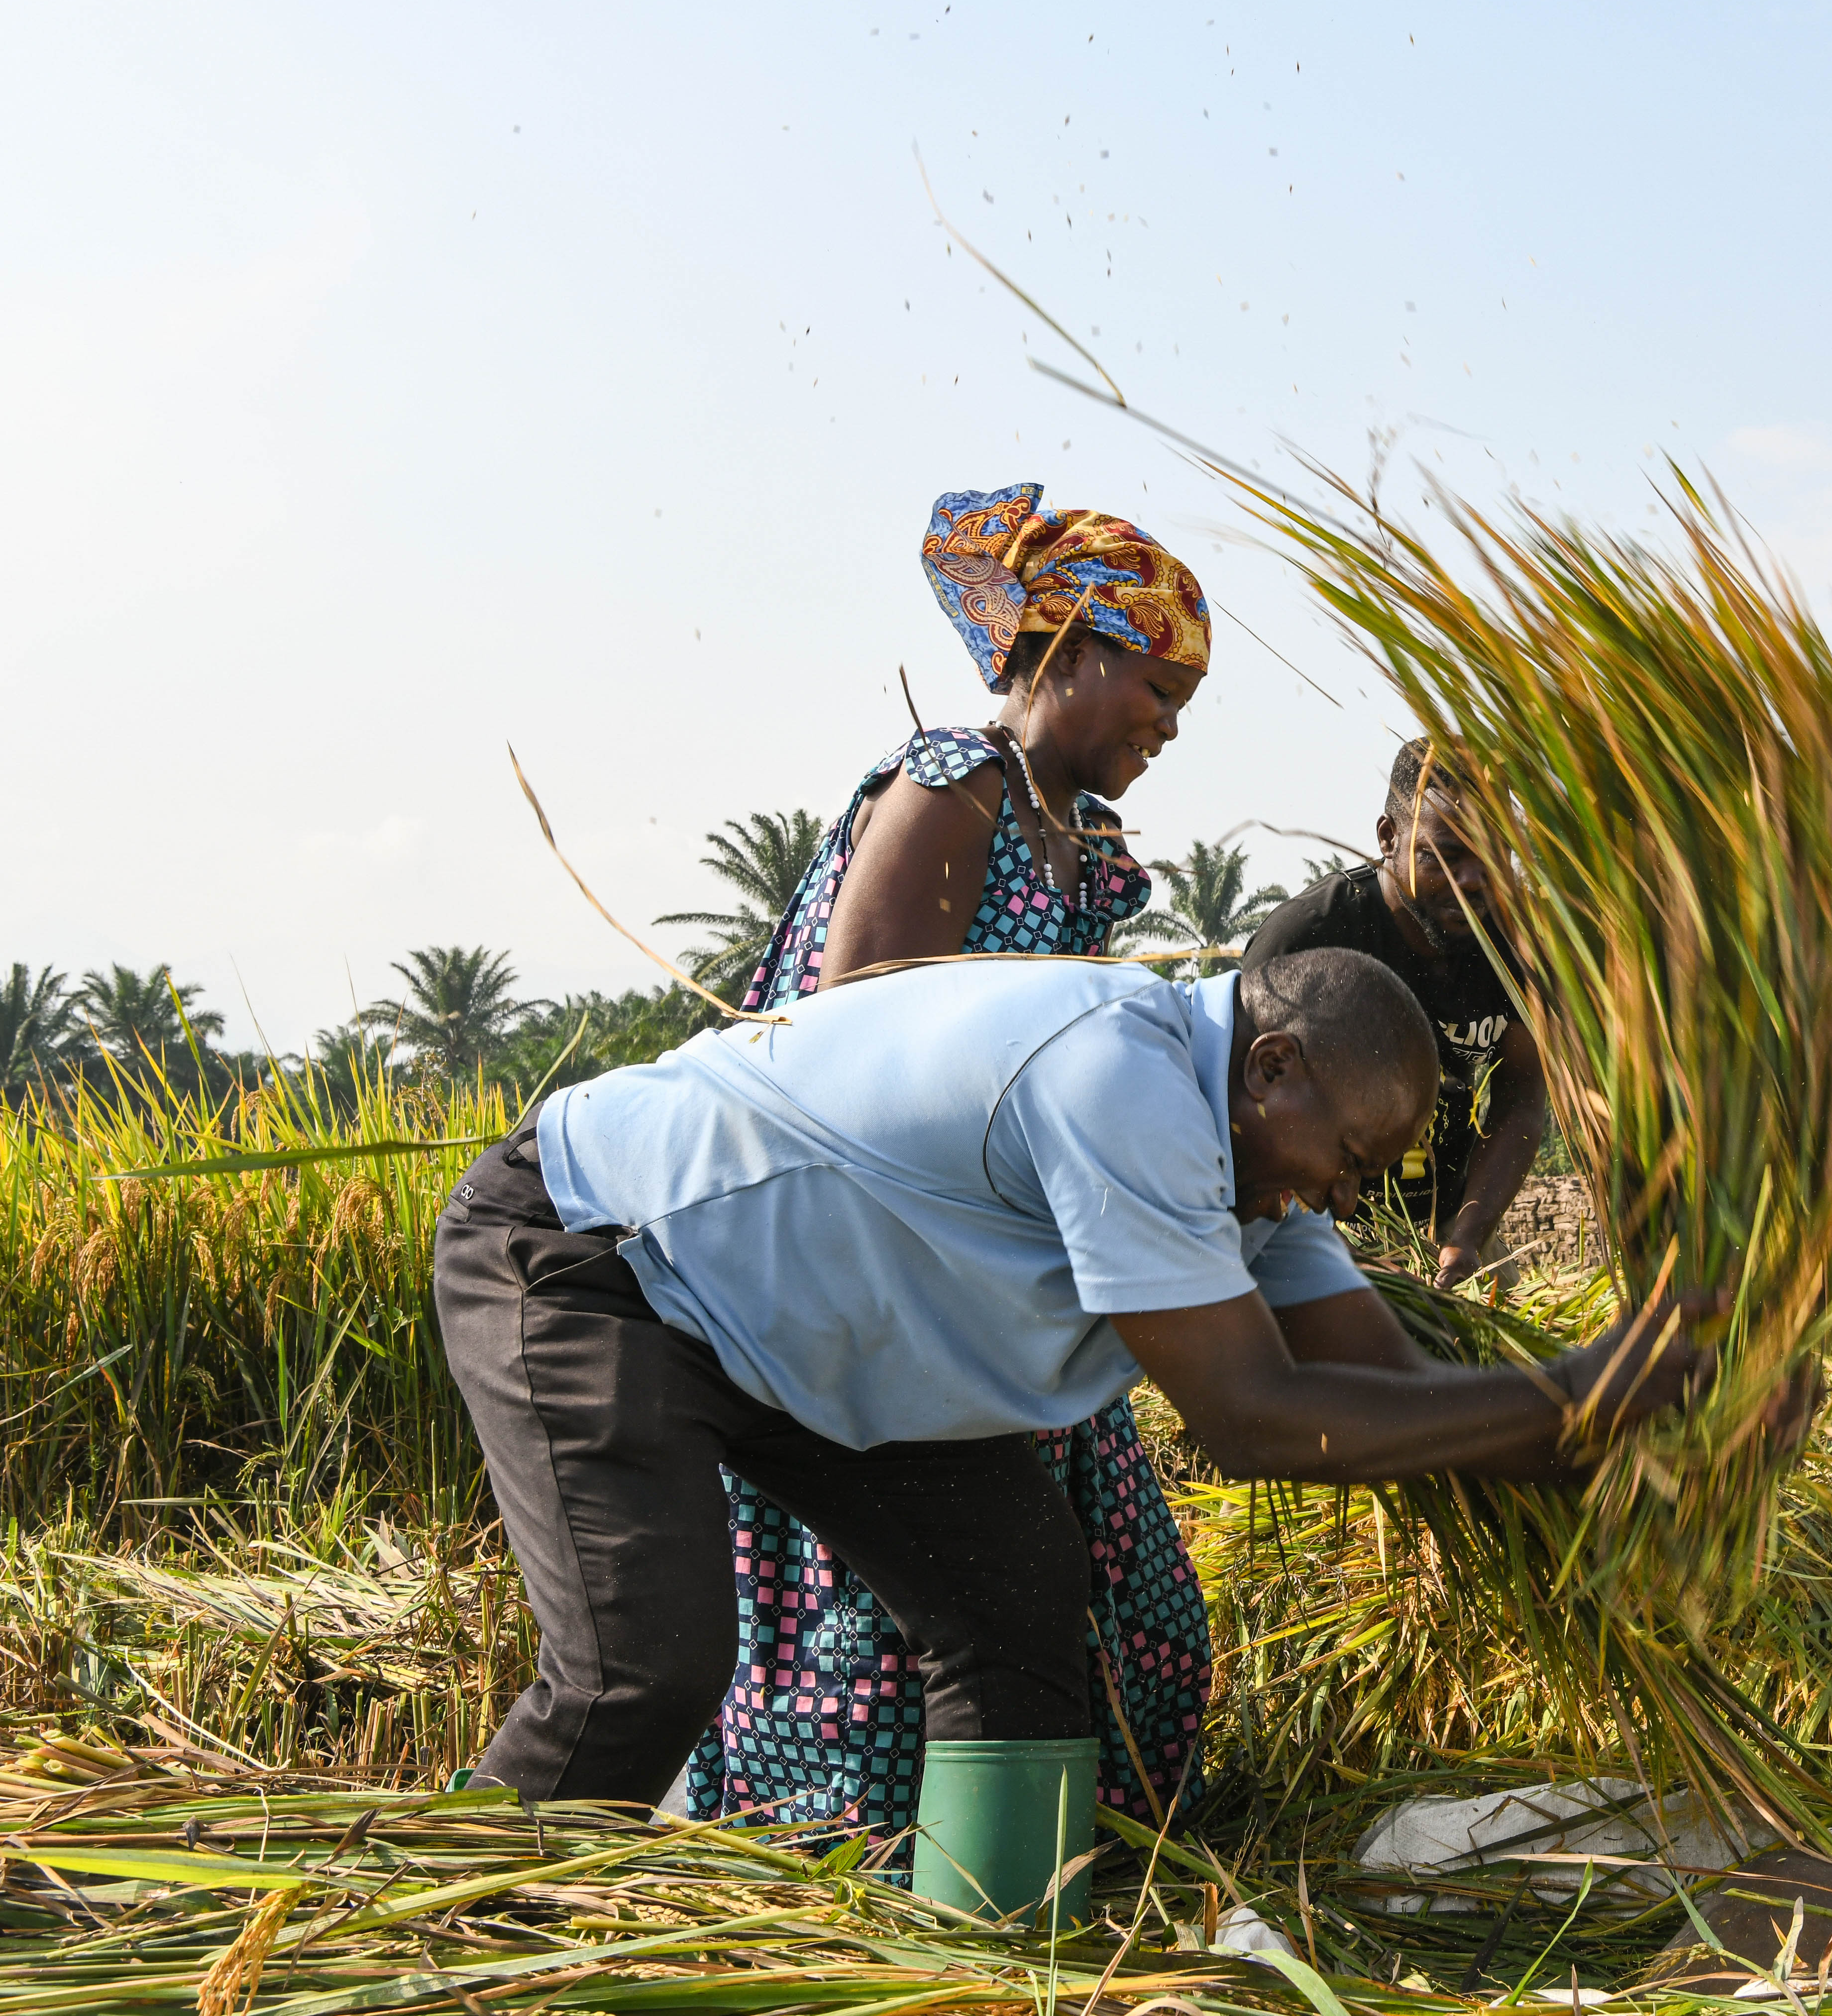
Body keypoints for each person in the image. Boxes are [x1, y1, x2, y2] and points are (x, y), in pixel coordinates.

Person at [434, 950, 1722, 1811]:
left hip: (808, 1335)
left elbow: (1385, 1388)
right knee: (641, 1667)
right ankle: (426, 1966)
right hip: (604, 1254)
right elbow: (1253, 1420)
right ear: (1273, 1066)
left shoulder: (1261, 1162)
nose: (1343, 1196)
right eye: (1345, 1157)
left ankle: (998, 1965)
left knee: (1017, 1599)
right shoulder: (1126, 1076)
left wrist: (1634, 1424)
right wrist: (1577, 1401)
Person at [691, 483, 1213, 1835]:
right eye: (1158, 686)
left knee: (1125, 1598)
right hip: (885, 1269)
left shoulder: (1086, 849)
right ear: (1080, 652)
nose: (1169, 725)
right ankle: (859, 1868)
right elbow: (855, 1046)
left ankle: (1076, 1842)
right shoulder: (951, 785)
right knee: (907, 1612)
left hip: (995, 1270)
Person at [1242, 738, 1553, 1290]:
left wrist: (1465, 1239)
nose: (1474, 881)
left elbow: (1521, 1100)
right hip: (1316, 1219)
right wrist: (1320, 1251)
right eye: (1446, 856)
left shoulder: (1519, 945)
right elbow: (1243, 1111)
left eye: (1493, 856)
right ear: (1389, 838)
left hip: (1452, 1214)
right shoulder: (1310, 937)